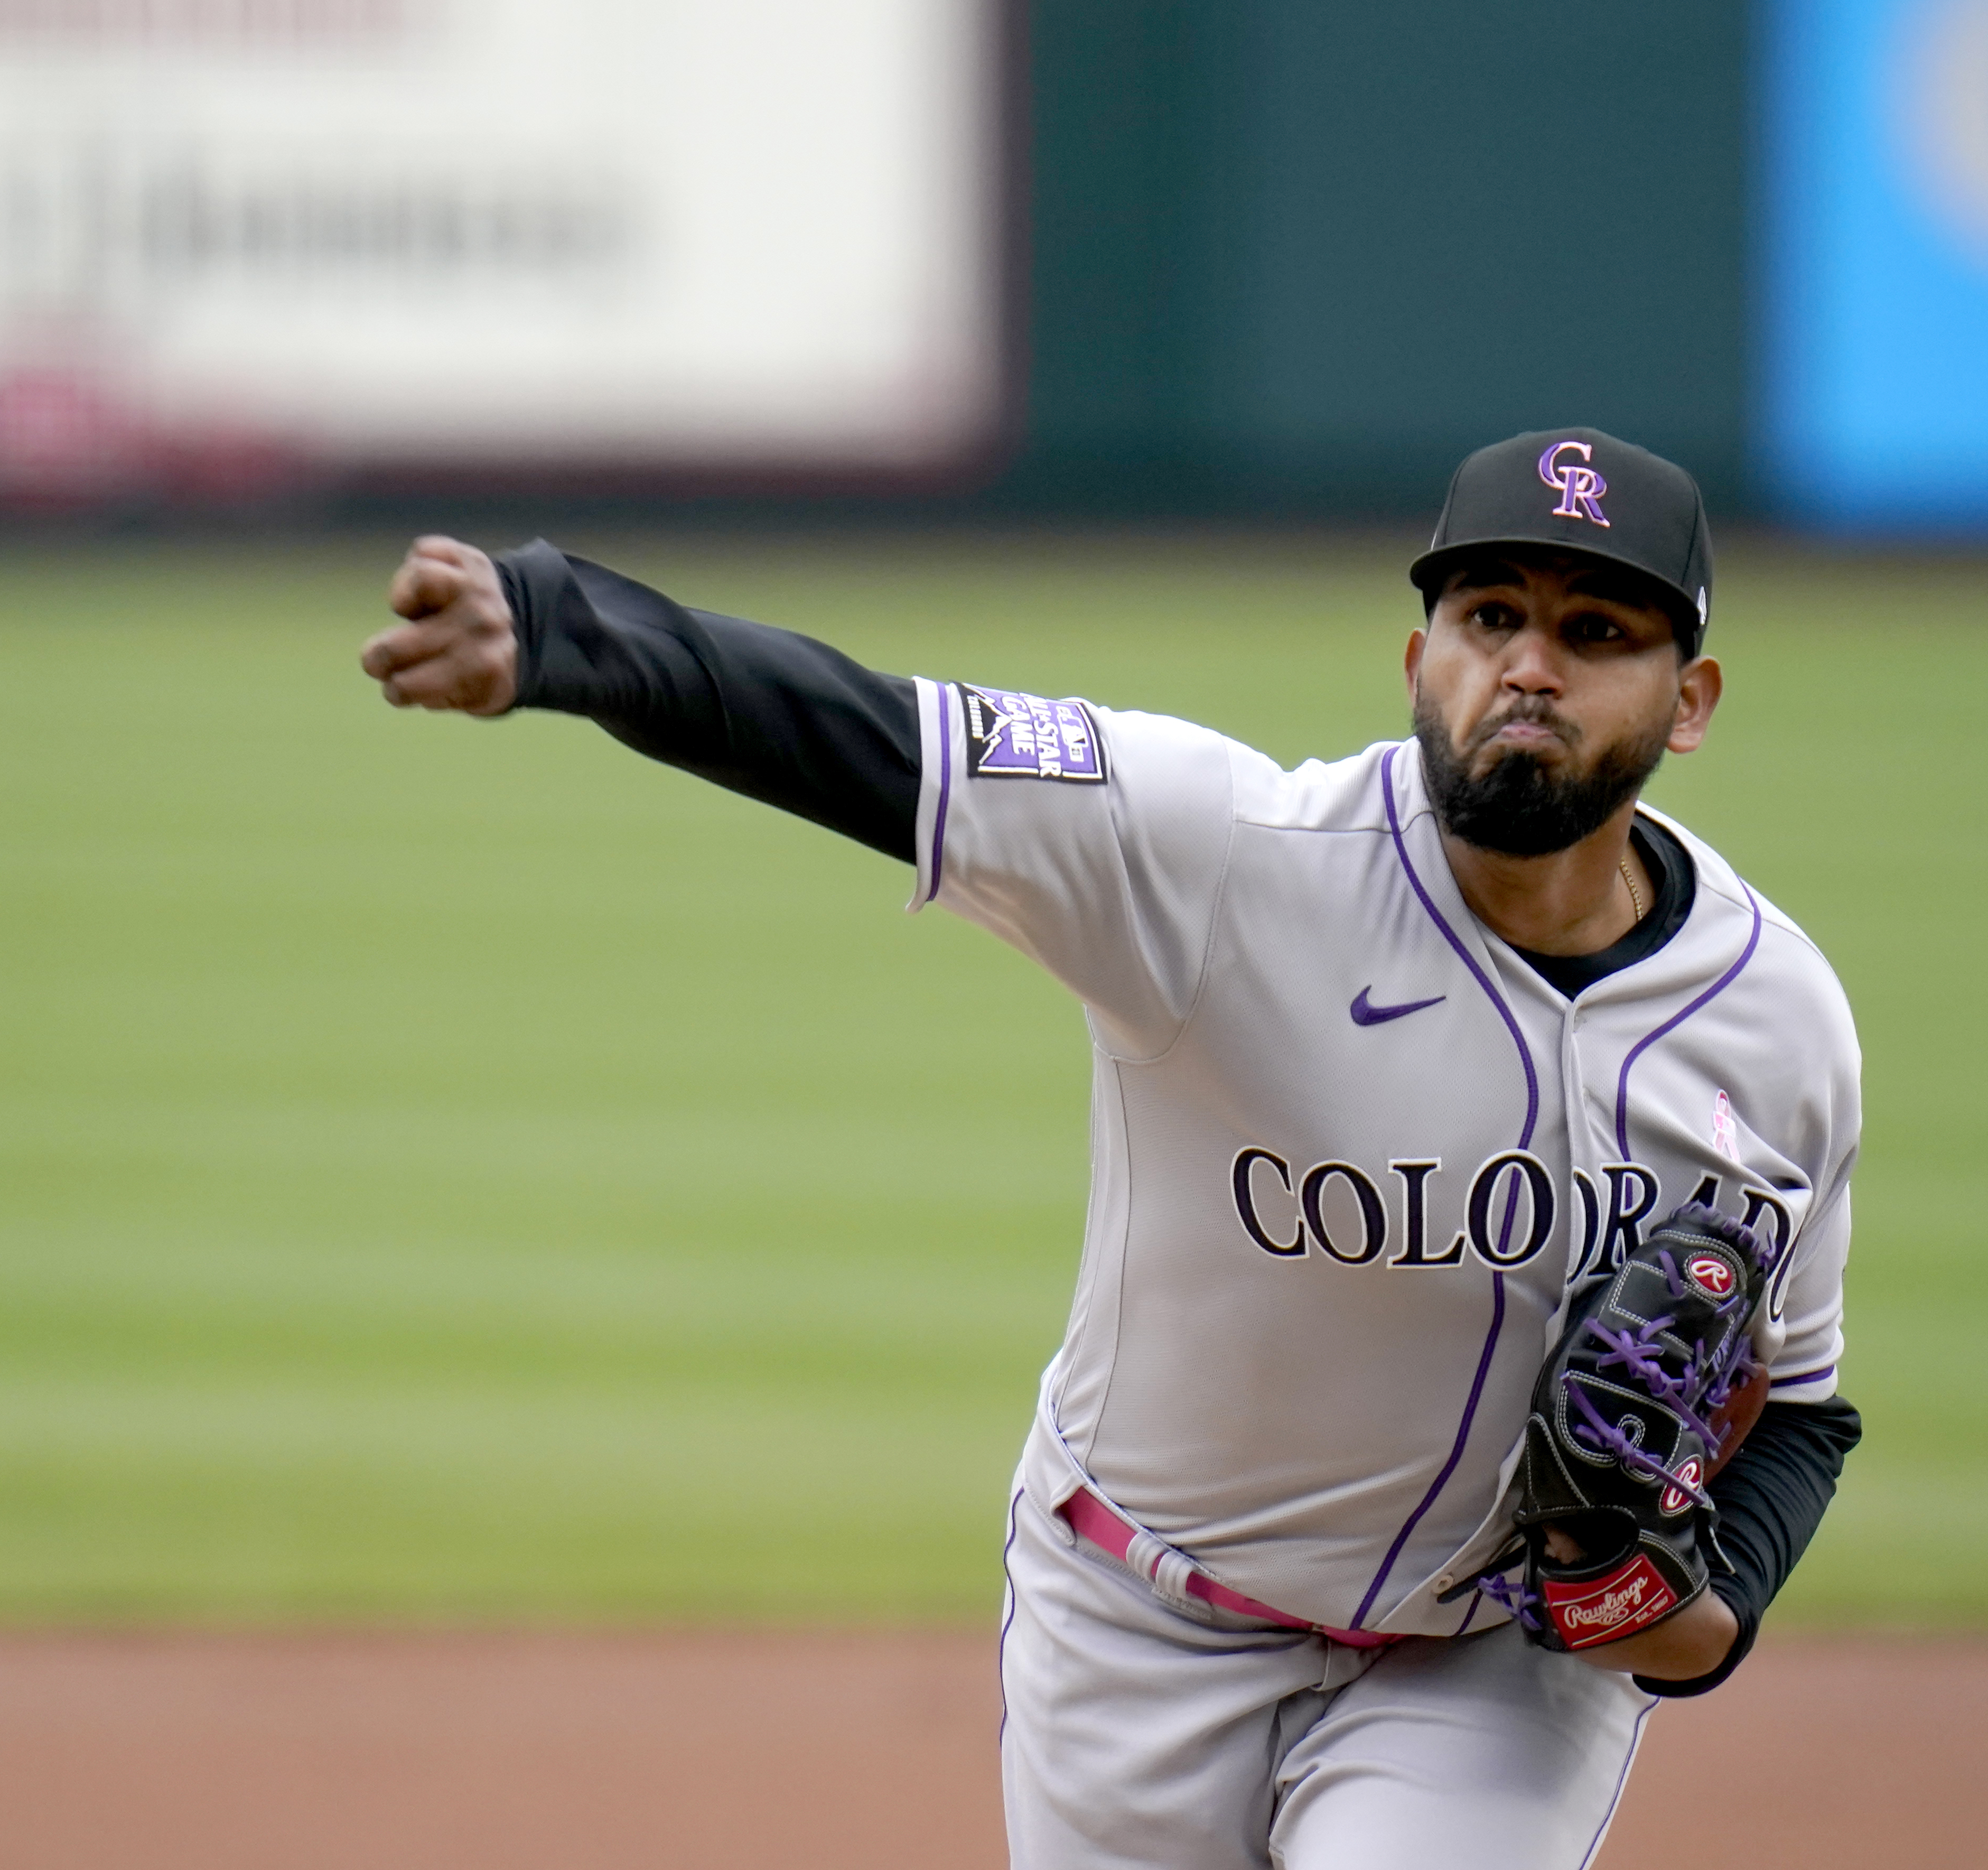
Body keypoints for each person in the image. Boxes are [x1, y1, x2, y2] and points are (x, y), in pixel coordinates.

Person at [357, 429, 1862, 1869]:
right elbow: (879, 738)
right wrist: (558, 627)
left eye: (1598, 631)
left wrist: (1702, 1604)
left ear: (1691, 700)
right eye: (1490, 615)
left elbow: (1798, 1403)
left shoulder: (1774, 1019)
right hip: (1140, 1619)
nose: (1530, 665)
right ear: (1419, 661)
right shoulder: (1220, 856)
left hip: (1486, 1668)